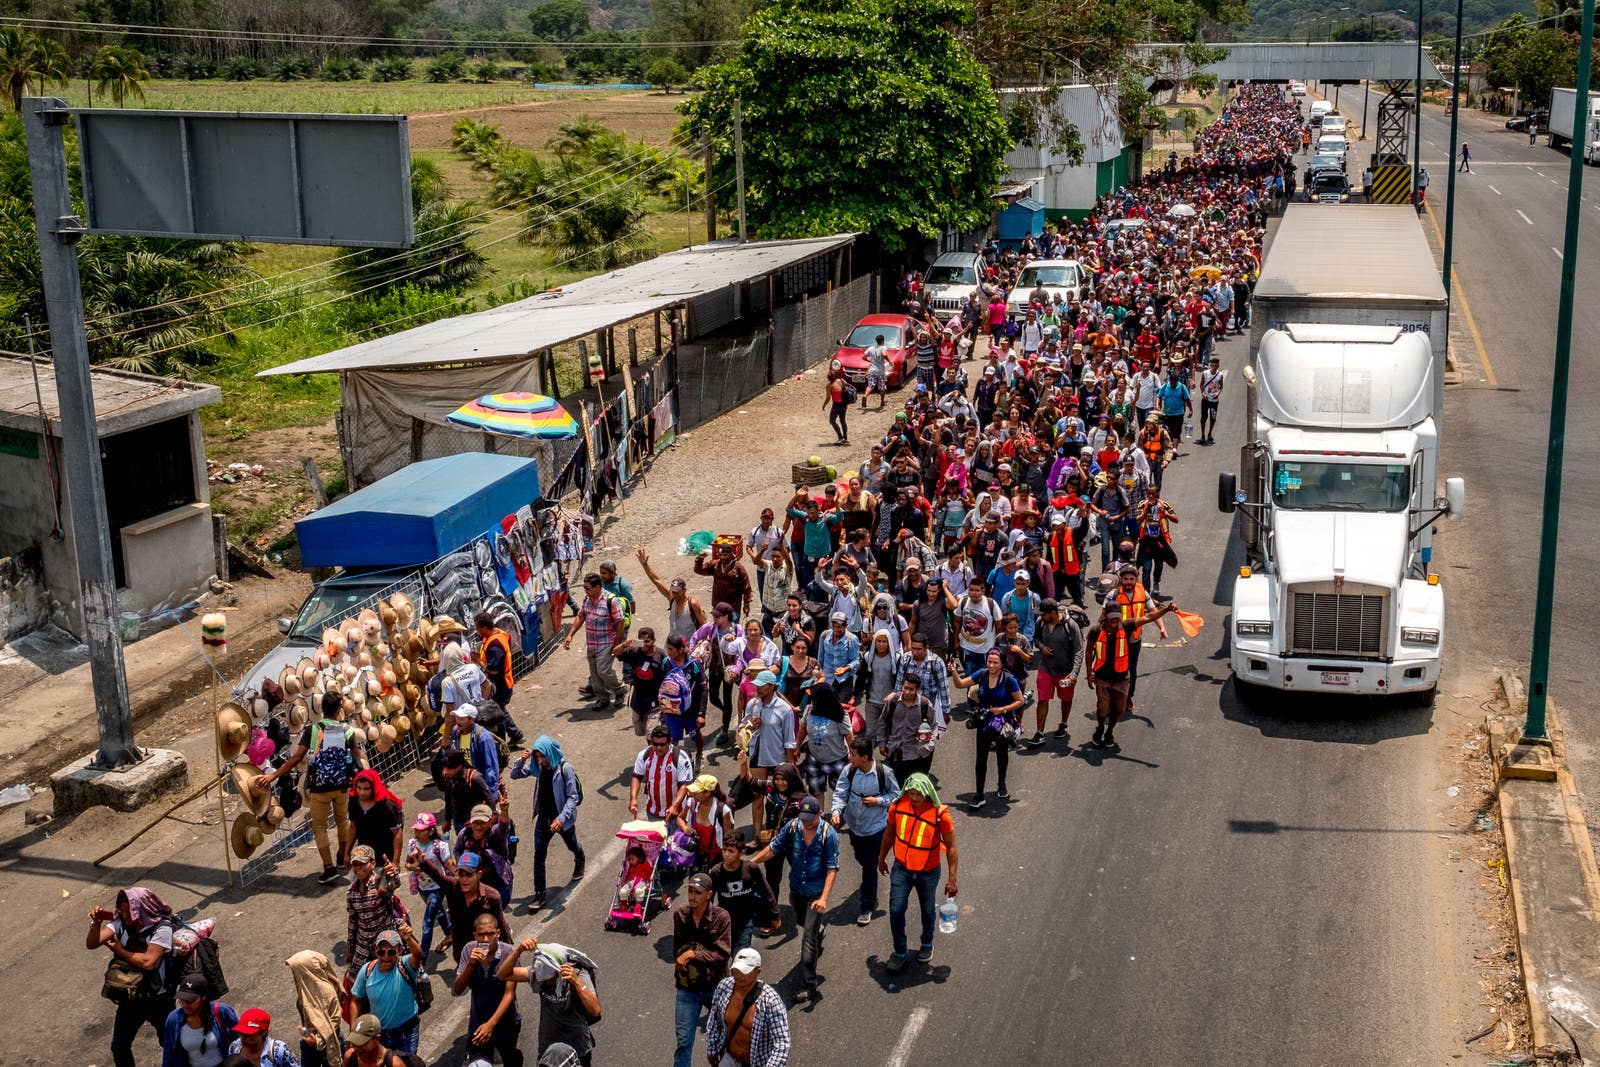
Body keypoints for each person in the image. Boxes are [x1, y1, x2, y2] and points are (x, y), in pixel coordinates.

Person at [261, 690, 366, 883]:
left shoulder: (313, 730)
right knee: (343, 821)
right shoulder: (347, 730)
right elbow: (357, 757)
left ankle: (329, 868)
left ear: (322, 709)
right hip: (342, 785)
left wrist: (274, 775)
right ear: (339, 710)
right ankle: (342, 858)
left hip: (318, 787)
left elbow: (296, 758)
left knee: (319, 826)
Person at [747, 796, 838, 1000]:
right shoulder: (793, 827)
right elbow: (774, 848)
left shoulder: (828, 834)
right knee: (801, 921)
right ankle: (818, 930)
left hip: (815, 894)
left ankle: (809, 983)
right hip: (796, 889)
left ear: (819, 814)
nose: (806, 823)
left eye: (810, 819)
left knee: (808, 940)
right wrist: (751, 863)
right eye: (803, 818)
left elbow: (832, 868)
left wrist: (824, 898)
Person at [877, 773, 958, 974]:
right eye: (911, 793)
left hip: (928, 872)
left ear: (927, 793)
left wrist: (952, 879)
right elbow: (889, 834)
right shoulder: (897, 807)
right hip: (901, 868)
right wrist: (881, 858)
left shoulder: (941, 815)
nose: (914, 798)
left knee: (928, 910)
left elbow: (951, 847)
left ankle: (927, 944)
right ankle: (900, 952)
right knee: (896, 910)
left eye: (918, 794)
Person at [89, 887, 179, 1067]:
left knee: (172, 1045)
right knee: (119, 1047)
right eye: (121, 911)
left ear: (142, 909)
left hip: (158, 999)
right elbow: (92, 943)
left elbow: (149, 961)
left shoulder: (162, 927)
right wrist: (96, 923)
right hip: (129, 999)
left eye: (129, 911)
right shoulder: (120, 923)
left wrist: (120, 951)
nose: (125, 915)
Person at [496, 939, 602, 1066]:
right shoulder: (539, 973)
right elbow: (503, 975)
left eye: (550, 978)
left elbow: (595, 1010)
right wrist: (518, 951)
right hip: (548, 1047)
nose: (545, 982)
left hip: (576, 1048)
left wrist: (576, 982)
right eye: (542, 979)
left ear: (558, 969)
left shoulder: (578, 975)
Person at [510, 735, 587, 911]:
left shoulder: (565, 769)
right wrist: (521, 760)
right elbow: (514, 775)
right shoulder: (537, 767)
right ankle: (540, 893)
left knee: (572, 844)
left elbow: (573, 797)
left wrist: (561, 819)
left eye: (542, 756)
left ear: (550, 753)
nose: (540, 760)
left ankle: (580, 856)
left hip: (561, 819)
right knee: (539, 856)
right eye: (537, 756)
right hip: (544, 819)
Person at [831, 736, 901, 926]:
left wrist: (877, 801)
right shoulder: (849, 771)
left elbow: (896, 796)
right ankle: (870, 878)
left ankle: (867, 906)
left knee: (869, 866)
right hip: (855, 826)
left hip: (877, 828)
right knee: (862, 859)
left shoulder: (883, 773)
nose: (850, 757)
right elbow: (840, 792)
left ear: (864, 757)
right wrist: (837, 812)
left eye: (853, 754)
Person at [951, 647, 1024, 810]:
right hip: (985, 723)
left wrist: (1003, 709)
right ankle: (979, 794)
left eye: (995, 662)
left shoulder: (1009, 679)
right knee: (980, 759)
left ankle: (1001, 784)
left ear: (1002, 664)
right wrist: (954, 672)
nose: (991, 665)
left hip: (1002, 723)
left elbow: (1020, 701)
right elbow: (960, 684)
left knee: (1001, 754)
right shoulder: (982, 674)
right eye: (989, 662)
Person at [672, 872, 732, 1067]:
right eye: (690, 891)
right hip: (687, 989)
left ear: (709, 894)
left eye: (697, 892)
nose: (692, 896)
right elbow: (678, 951)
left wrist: (692, 955)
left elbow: (722, 955)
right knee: (683, 1043)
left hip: (716, 989)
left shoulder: (721, 917)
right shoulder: (680, 916)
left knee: (726, 1038)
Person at [413, 849, 512, 964]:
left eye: (469, 875)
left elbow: (501, 924)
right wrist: (423, 861)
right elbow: (438, 876)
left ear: (479, 874)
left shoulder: (492, 897)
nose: (464, 880)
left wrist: (509, 954)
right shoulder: (453, 887)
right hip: (461, 952)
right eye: (461, 874)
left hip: (483, 953)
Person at [452, 915, 523, 1067]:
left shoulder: (508, 953)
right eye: (481, 934)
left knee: (509, 1058)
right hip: (478, 1023)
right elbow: (458, 989)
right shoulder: (468, 950)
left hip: (506, 1023)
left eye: (490, 934)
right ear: (474, 935)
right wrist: (470, 964)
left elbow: (509, 993)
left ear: (497, 933)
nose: (485, 939)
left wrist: (491, 1025)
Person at [704, 950, 790, 1067]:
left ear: (757, 971)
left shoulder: (771, 1001)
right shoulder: (724, 987)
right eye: (736, 970)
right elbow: (714, 1019)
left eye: (745, 972)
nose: (739, 975)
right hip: (729, 1057)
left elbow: (782, 1043)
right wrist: (712, 1049)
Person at [344, 847, 406, 1009]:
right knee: (354, 978)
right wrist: (350, 948)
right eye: (355, 865)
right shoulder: (351, 892)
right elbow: (353, 922)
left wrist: (393, 873)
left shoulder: (380, 881)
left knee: (402, 970)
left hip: (386, 938)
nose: (358, 869)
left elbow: (393, 885)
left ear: (372, 863)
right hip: (364, 943)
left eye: (361, 864)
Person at [350, 926, 424, 1054]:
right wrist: (354, 1030)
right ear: (375, 951)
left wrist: (409, 939)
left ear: (399, 951)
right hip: (380, 1035)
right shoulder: (367, 971)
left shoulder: (405, 965)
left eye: (391, 952)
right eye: (381, 952)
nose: (385, 957)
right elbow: (355, 1001)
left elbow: (418, 955)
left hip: (407, 1032)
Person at [564, 573, 627, 710]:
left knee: (603, 670)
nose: (586, 591)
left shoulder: (611, 600)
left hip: (607, 643)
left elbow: (620, 622)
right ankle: (602, 697)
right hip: (592, 643)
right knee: (595, 673)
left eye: (588, 588)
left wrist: (618, 643)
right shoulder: (587, 599)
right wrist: (570, 635)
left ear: (598, 587)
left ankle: (620, 690)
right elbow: (581, 616)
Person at [709, 830, 777, 952]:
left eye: (731, 851)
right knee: (725, 951)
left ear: (741, 853)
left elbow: (766, 892)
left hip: (746, 919)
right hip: (725, 919)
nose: (726, 854)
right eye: (724, 850)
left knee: (741, 952)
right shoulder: (716, 872)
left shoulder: (750, 869)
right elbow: (709, 897)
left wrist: (774, 915)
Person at [1029, 599, 1083, 746]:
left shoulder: (1070, 625)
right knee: (1042, 699)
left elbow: (1079, 650)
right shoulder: (1041, 622)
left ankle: (1064, 723)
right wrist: (1042, 647)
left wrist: (1074, 674)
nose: (1040, 616)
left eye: (1043, 613)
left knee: (1065, 699)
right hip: (1046, 668)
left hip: (1065, 670)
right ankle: (1040, 733)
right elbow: (1036, 638)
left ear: (1053, 613)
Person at [404, 812, 453, 959]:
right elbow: (407, 863)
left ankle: (421, 958)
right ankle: (450, 933)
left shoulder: (440, 847)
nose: (417, 833)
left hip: (437, 889)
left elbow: (450, 866)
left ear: (431, 831)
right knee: (437, 911)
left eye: (421, 830)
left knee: (428, 922)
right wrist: (413, 868)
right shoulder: (412, 844)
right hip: (422, 888)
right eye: (416, 830)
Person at [162, 975, 239, 1067]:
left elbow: (240, 1041)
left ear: (203, 997)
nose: (185, 1005)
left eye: (191, 1000)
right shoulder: (173, 1019)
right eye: (182, 1000)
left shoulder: (222, 1012)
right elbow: (169, 1054)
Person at [637, 549, 707, 643]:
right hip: (672, 646)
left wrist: (703, 643)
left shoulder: (692, 604)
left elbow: (704, 625)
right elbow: (656, 580)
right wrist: (645, 565)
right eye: (673, 591)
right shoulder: (672, 598)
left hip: (688, 647)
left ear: (684, 590)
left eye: (677, 592)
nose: (675, 594)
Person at [613, 626, 671, 737]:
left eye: (648, 641)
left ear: (653, 641)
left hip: (655, 704)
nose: (644, 644)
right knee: (640, 732)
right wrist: (625, 644)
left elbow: (670, 678)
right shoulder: (635, 652)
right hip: (638, 702)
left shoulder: (662, 656)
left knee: (652, 735)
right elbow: (615, 652)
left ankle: (655, 751)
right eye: (642, 641)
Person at [630, 723, 694, 821]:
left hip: (677, 812)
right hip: (652, 811)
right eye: (655, 744)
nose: (659, 748)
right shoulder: (644, 755)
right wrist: (633, 798)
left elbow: (684, 785)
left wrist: (675, 806)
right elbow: (637, 777)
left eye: (662, 744)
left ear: (670, 742)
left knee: (675, 836)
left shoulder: (680, 758)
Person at [348, 769, 404, 867]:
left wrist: (395, 862)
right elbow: (353, 827)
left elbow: (397, 833)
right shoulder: (353, 801)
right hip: (364, 854)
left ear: (374, 788)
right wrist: (347, 852)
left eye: (366, 789)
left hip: (385, 854)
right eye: (359, 788)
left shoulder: (386, 806)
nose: (362, 792)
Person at [226, 1007, 313, 1067]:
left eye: (249, 1035)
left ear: (264, 1032)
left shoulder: (278, 1051)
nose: (243, 1038)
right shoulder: (234, 1048)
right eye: (241, 1032)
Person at [436, 748, 495, 837]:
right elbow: (448, 799)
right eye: (445, 768)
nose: (446, 771)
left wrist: (489, 819)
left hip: (476, 822)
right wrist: (447, 820)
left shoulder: (473, 777)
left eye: (449, 769)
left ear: (459, 766)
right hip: (458, 821)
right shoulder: (447, 777)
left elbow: (489, 799)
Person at [475, 611, 519, 712]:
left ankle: (513, 729)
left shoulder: (495, 644)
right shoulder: (497, 633)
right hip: (504, 682)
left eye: (478, 628)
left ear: (485, 628)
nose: (477, 631)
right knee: (500, 712)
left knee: (498, 713)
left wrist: (478, 661)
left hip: (501, 685)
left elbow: (493, 670)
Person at [1197, 355, 1225, 445]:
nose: (1214, 367)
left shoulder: (1220, 375)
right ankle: (1202, 435)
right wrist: (1203, 393)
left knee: (1213, 418)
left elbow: (1221, 386)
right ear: (1210, 365)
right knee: (1203, 418)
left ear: (1218, 366)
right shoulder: (1205, 373)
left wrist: (1218, 393)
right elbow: (1201, 385)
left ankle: (1209, 433)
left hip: (1214, 400)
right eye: (1212, 365)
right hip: (1205, 399)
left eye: (1216, 366)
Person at [823, 364, 850, 444]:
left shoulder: (829, 386)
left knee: (832, 420)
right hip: (844, 404)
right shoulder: (840, 381)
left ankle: (840, 437)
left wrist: (824, 405)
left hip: (836, 405)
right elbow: (847, 387)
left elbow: (828, 397)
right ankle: (845, 438)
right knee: (843, 421)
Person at [862, 333, 890, 410]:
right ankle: (882, 401)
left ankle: (865, 395)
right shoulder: (883, 347)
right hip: (880, 371)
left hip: (872, 370)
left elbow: (863, 357)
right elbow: (884, 355)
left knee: (871, 385)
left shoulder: (871, 348)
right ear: (883, 341)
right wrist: (890, 361)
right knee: (882, 387)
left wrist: (870, 361)